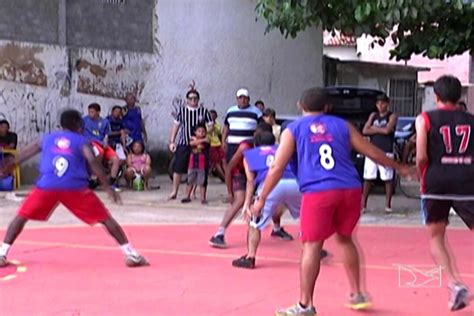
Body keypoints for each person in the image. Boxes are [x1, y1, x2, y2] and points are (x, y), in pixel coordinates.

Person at [252, 87, 410, 315]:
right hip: (350, 189)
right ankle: (358, 293)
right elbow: (372, 152)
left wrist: (261, 198)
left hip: (319, 191)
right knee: (346, 239)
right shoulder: (342, 125)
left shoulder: (293, 129)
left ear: (300, 106)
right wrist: (401, 168)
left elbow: (276, 168)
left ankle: (305, 305)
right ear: (327, 107)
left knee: (311, 246)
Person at [0, 109, 149, 268]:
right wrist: (108, 187)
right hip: (74, 187)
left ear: (61, 124)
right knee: (106, 219)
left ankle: (2, 253)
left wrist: (7, 167)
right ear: (79, 125)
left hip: (47, 186)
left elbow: (23, 154)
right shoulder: (81, 141)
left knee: (21, 217)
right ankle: (130, 253)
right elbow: (93, 162)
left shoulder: (46, 138)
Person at [415, 75, 473, 311]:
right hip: (467, 181)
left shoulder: (425, 119)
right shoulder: (471, 120)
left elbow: (421, 156)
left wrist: (421, 176)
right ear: (459, 97)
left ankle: (455, 283)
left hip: (436, 182)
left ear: (436, 96)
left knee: (436, 236)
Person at [232, 131, 327, 269]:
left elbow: (250, 181)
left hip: (270, 185)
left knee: (254, 223)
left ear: (255, 143)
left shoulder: (250, 155)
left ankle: (250, 257)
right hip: (295, 183)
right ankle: (314, 250)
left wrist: (247, 204)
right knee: (307, 217)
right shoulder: (283, 148)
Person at [209, 122, 293, 248]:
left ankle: (276, 228)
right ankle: (219, 233)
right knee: (240, 200)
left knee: (276, 196)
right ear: (255, 134)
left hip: (258, 174)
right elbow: (229, 167)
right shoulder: (245, 147)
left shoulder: (271, 147)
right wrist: (230, 191)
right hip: (241, 173)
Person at [168, 88, 213, 200]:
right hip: (184, 142)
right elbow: (176, 126)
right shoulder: (182, 111)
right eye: (191, 98)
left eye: (195, 98)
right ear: (187, 100)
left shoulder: (204, 111)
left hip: (199, 145)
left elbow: (210, 126)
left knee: (198, 168)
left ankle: (193, 193)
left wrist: (204, 137)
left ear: (198, 99)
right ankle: (174, 191)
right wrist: (172, 141)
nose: (193, 100)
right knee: (178, 167)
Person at [362, 94, 398, 213]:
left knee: (387, 178)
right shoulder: (373, 115)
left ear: (387, 104)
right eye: (378, 103)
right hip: (372, 150)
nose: (380, 106)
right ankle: (363, 205)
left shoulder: (392, 116)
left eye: (383, 103)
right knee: (368, 177)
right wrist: (379, 130)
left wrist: (374, 129)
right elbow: (365, 130)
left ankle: (388, 205)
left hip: (386, 150)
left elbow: (388, 130)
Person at [82, 103, 121, 189]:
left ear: (98, 112)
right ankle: (94, 176)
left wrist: (106, 143)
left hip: (102, 143)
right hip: (91, 143)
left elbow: (106, 135)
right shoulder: (84, 120)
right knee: (99, 152)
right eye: (89, 111)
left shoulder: (104, 122)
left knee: (116, 159)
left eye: (92, 112)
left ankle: (112, 181)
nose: (90, 113)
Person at [221, 88, 262, 165]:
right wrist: (223, 141)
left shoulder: (256, 112)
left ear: (249, 99)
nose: (243, 100)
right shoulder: (230, 111)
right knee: (231, 166)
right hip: (232, 145)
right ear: (237, 99)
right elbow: (226, 127)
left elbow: (261, 128)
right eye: (240, 98)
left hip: (248, 145)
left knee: (248, 166)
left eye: (245, 98)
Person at [181, 124, 210, 204]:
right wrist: (201, 140)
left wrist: (197, 140)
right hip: (192, 164)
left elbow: (199, 146)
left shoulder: (207, 141)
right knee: (190, 180)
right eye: (199, 131)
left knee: (202, 182)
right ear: (195, 132)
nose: (201, 133)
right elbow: (192, 144)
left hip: (202, 165)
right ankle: (187, 196)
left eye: (203, 131)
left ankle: (203, 198)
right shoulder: (196, 140)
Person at [208, 110, 225, 181]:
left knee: (224, 159)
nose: (212, 117)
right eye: (211, 115)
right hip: (211, 145)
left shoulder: (218, 124)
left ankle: (226, 175)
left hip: (218, 144)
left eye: (214, 116)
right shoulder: (206, 124)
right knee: (217, 162)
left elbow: (219, 134)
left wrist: (222, 143)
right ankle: (225, 178)